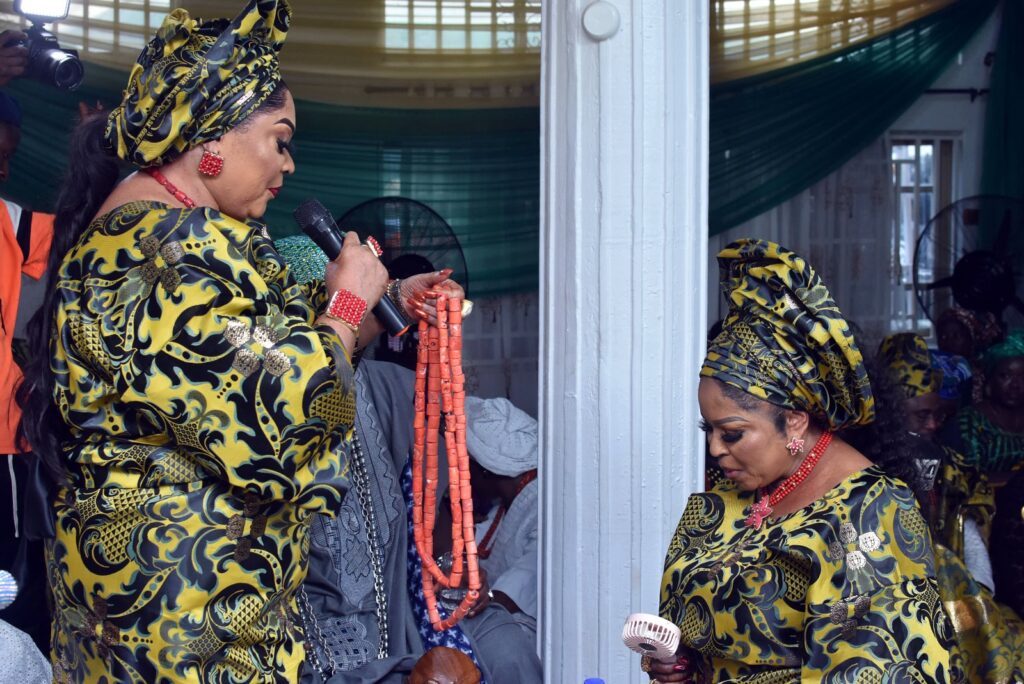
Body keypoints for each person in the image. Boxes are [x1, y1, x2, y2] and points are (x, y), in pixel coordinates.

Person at [13, 2, 453, 680]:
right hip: (187, 620)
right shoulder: (168, 251)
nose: (289, 163)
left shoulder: (152, 233)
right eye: (279, 138)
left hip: (163, 606)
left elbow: (257, 349)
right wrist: (345, 302)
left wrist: (381, 304)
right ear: (210, 133)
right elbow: (294, 408)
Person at [649, 240, 954, 683]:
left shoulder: (871, 513)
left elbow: (880, 670)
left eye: (732, 433)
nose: (715, 448)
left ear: (794, 421)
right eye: (708, 431)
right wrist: (683, 665)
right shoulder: (739, 492)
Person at [879, 333, 1024, 683]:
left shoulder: (950, 466)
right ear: (892, 414)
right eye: (921, 415)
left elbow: (969, 532)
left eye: (938, 416)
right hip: (886, 602)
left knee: (995, 636)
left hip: (951, 593)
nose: (932, 426)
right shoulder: (863, 469)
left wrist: (980, 592)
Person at [0, 89, 54, 655]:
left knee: (11, 591)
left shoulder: (11, 223)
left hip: (6, 446)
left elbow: (87, 226)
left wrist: (98, 155)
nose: (3, 168)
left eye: (10, 158)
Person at [941, 329, 1024, 482]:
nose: (1015, 385)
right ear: (990, 381)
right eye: (1005, 376)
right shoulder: (967, 424)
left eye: (1022, 376)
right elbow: (962, 480)